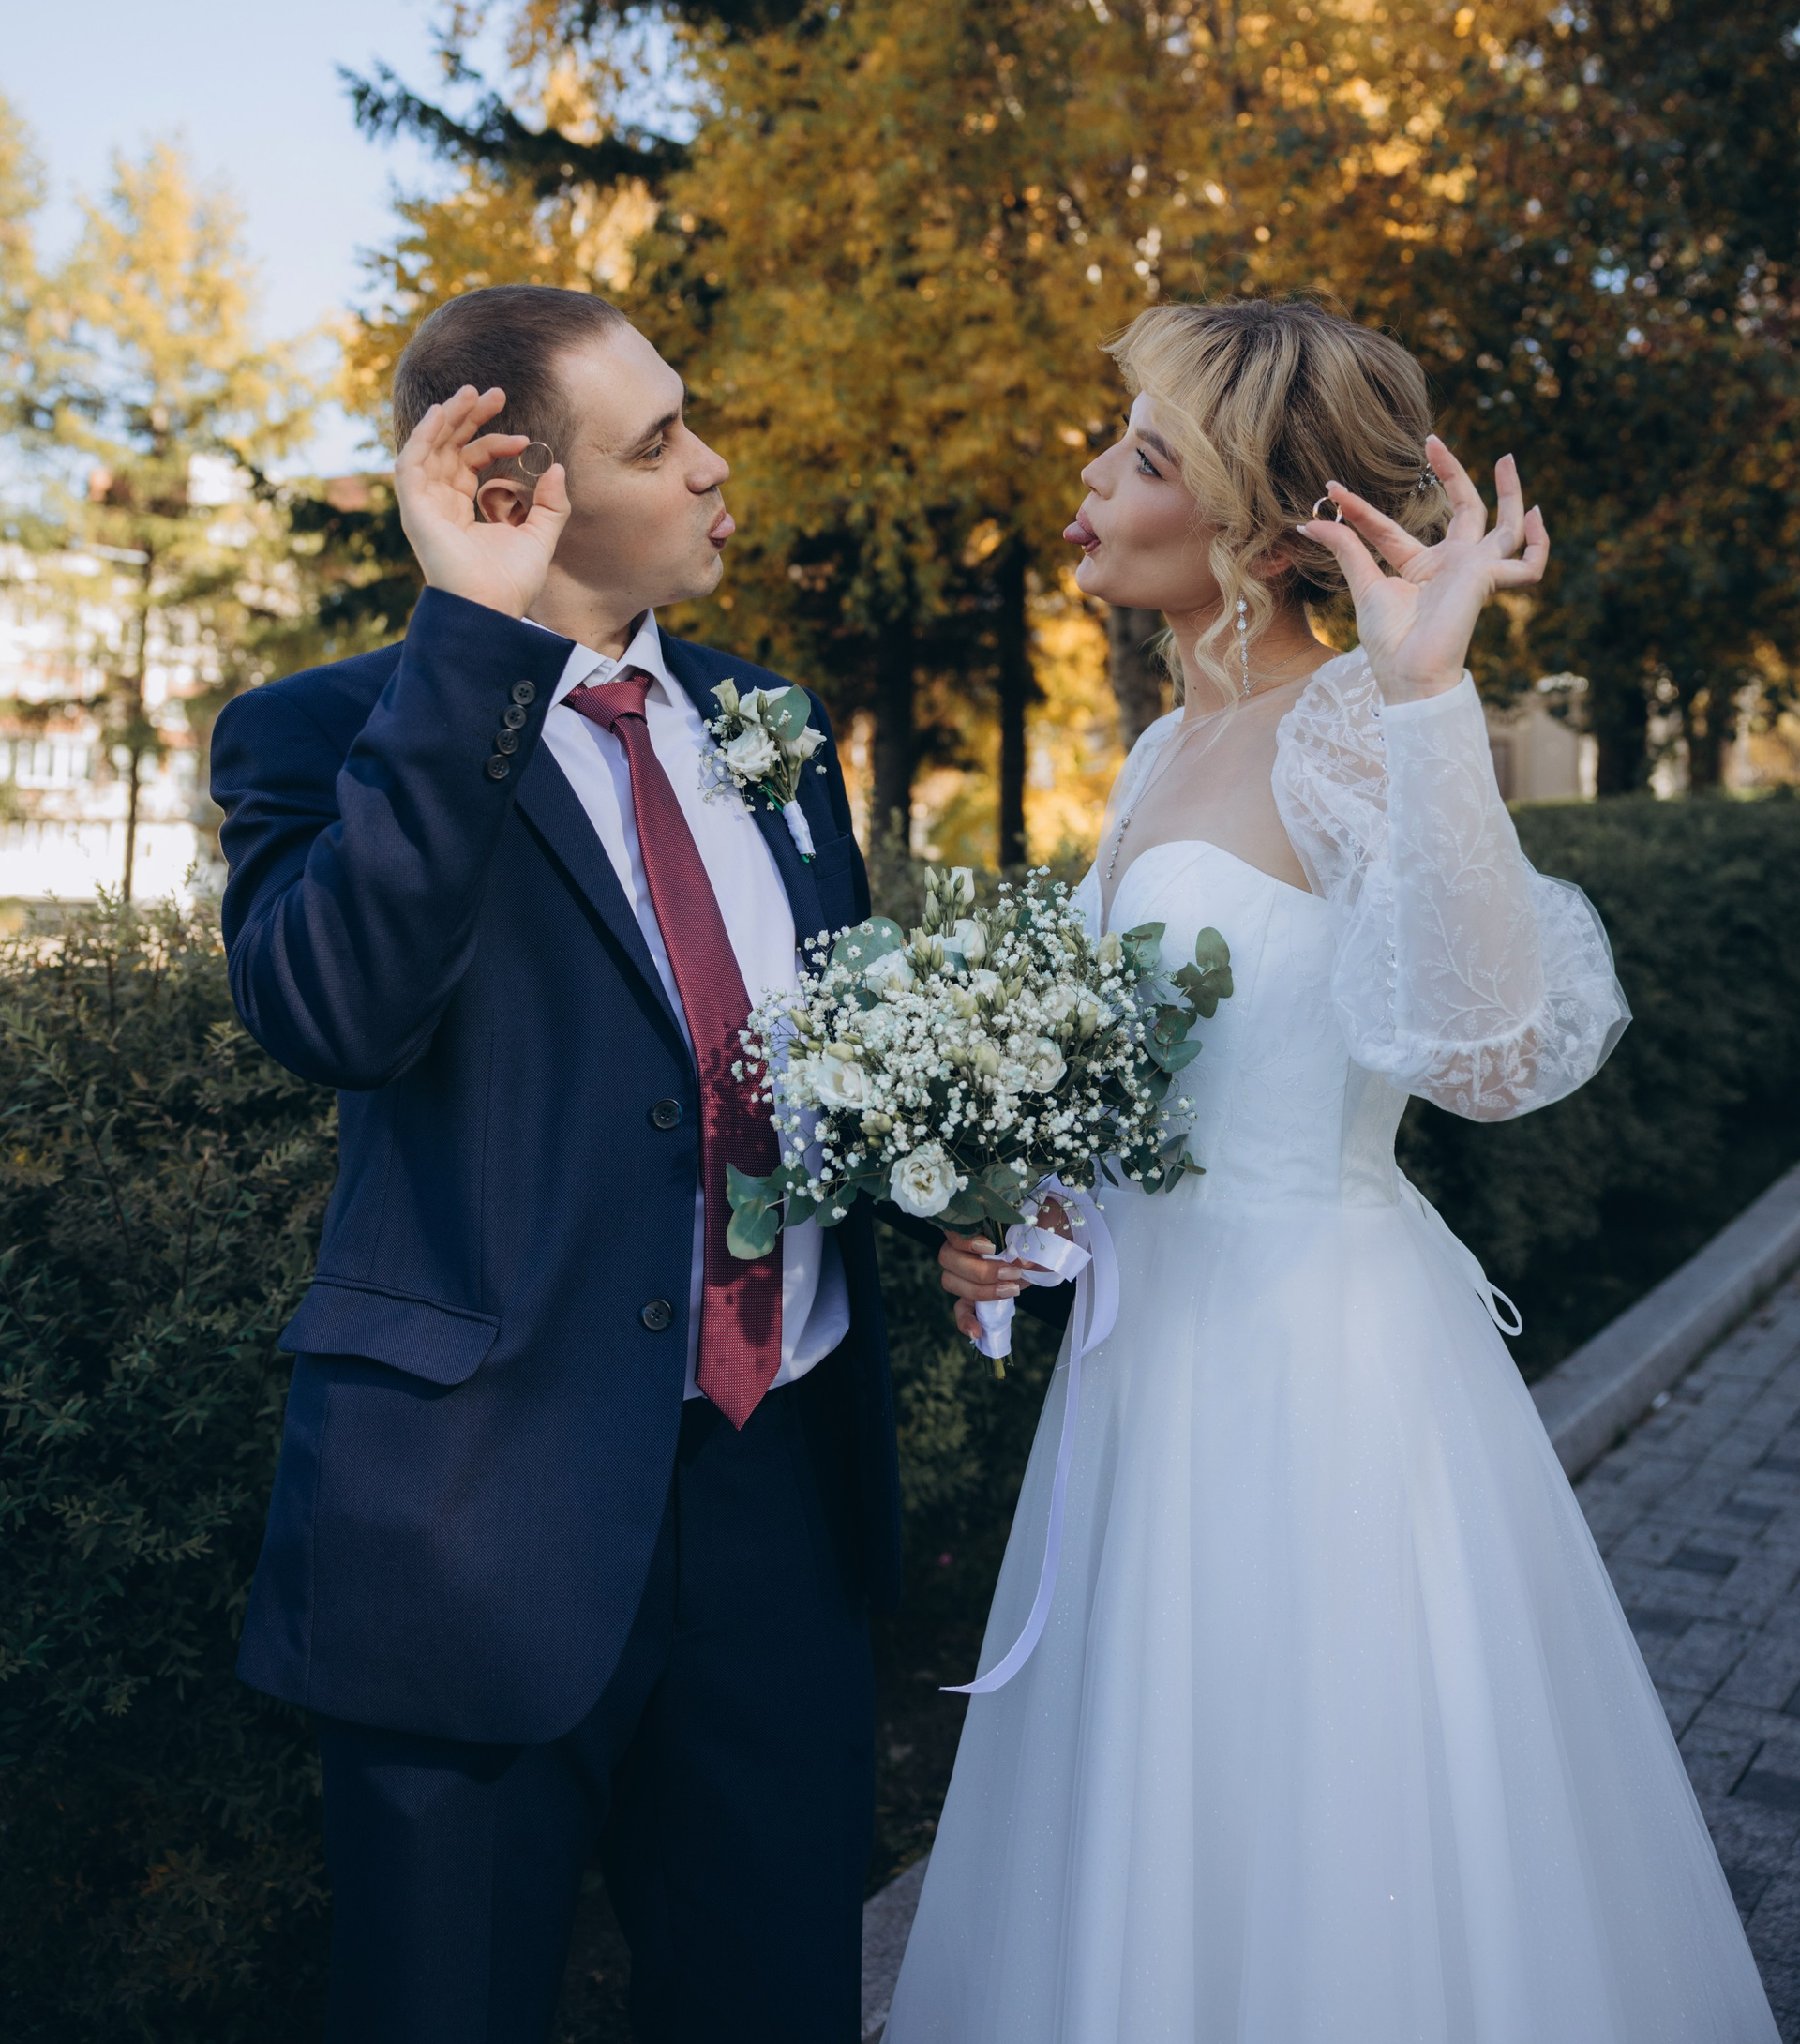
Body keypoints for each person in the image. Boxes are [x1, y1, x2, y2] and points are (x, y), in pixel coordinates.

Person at [887, 296, 1778, 2044]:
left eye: (1145, 456)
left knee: (1325, 1802)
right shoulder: (1161, 747)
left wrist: (1431, 695)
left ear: (1253, 522)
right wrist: (1032, 1221)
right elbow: (1166, 1086)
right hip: (1147, 1374)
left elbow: (1493, 1058)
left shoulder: (1363, 723)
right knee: (1160, 1816)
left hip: (1316, 1371)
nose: (1092, 478)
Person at [212, 285, 897, 2044]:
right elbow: (335, 1013)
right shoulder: (328, 732)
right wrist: (471, 634)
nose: (714, 464)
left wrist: (952, 1183)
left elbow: (822, 1052)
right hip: (479, 1519)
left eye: (691, 418)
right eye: (658, 443)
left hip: (781, 1492)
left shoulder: (777, 722)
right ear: (523, 490)